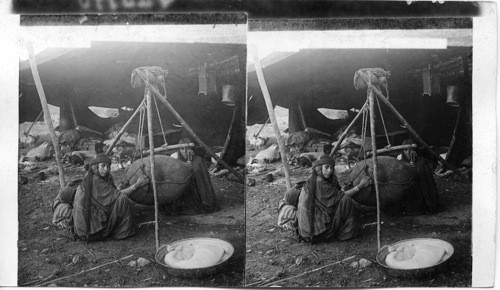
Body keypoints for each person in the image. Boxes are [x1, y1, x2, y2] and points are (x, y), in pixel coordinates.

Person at [52, 153, 149, 241]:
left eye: (108, 166)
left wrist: (119, 188)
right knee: (122, 200)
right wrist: (137, 185)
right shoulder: (95, 180)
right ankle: (122, 233)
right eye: (103, 166)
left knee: (119, 199)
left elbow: (109, 194)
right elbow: (118, 195)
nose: (106, 169)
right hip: (89, 229)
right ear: (95, 167)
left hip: (89, 220)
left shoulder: (96, 176)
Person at [278, 155, 372, 243]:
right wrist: (361, 185)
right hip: (314, 232)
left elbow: (334, 194)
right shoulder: (319, 182)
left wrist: (343, 189)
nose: (330, 170)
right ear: (319, 168)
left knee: (342, 199)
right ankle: (346, 233)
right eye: (326, 167)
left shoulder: (316, 178)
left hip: (308, 227)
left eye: (331, 167)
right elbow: (342, 196)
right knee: (346, 200)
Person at [170, 138, 220, 214]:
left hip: (195, 191)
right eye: (182, 149)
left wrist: (191, 168)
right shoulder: (176, 160)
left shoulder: (198, 161)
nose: (184, 151)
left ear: (191, 149)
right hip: (181, 189)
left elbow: (203, 182)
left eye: (187, 148)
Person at [397, 139, 440, 214]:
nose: (408, 152)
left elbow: (425, 181)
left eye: (410, 150)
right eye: (405, 150)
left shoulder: (421, 162)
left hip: (420, 191)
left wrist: (414, 167)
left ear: (414, 151)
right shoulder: (401, 161)